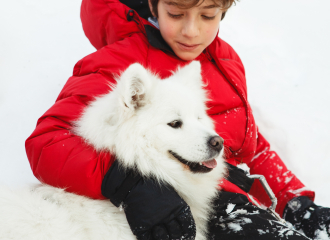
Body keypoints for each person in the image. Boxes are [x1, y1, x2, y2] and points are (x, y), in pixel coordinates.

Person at [25, 0, 330, 239]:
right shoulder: (116, 63)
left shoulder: (226, 61)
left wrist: (295, 202)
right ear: (153, 4)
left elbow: (250, 145)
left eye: (208, 16)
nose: (191, 31)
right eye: (176, 13)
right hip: (195, 204)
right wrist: (130, 186)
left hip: (237, 196)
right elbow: (48, 143)